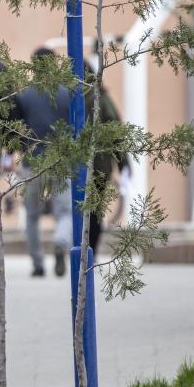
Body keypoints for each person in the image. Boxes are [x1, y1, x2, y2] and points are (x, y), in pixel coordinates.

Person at [10, 47, 73, 278]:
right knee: (65, 212)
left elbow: (15, 130)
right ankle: (60, 241)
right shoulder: (67, 94)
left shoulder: (24, 95)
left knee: (32, 215)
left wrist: (14, 152)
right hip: (60, 161)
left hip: (31, 164)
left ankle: (37, 264)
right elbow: (77, 128)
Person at [83, 61, 131, 256]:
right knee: (94, 212)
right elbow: (115, 133)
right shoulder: (100, 98)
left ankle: (78, 249)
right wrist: (123, 163)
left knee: (74, 210)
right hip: (99, 166)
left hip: (73, 166)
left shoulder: (66, 97)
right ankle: (90, 254)